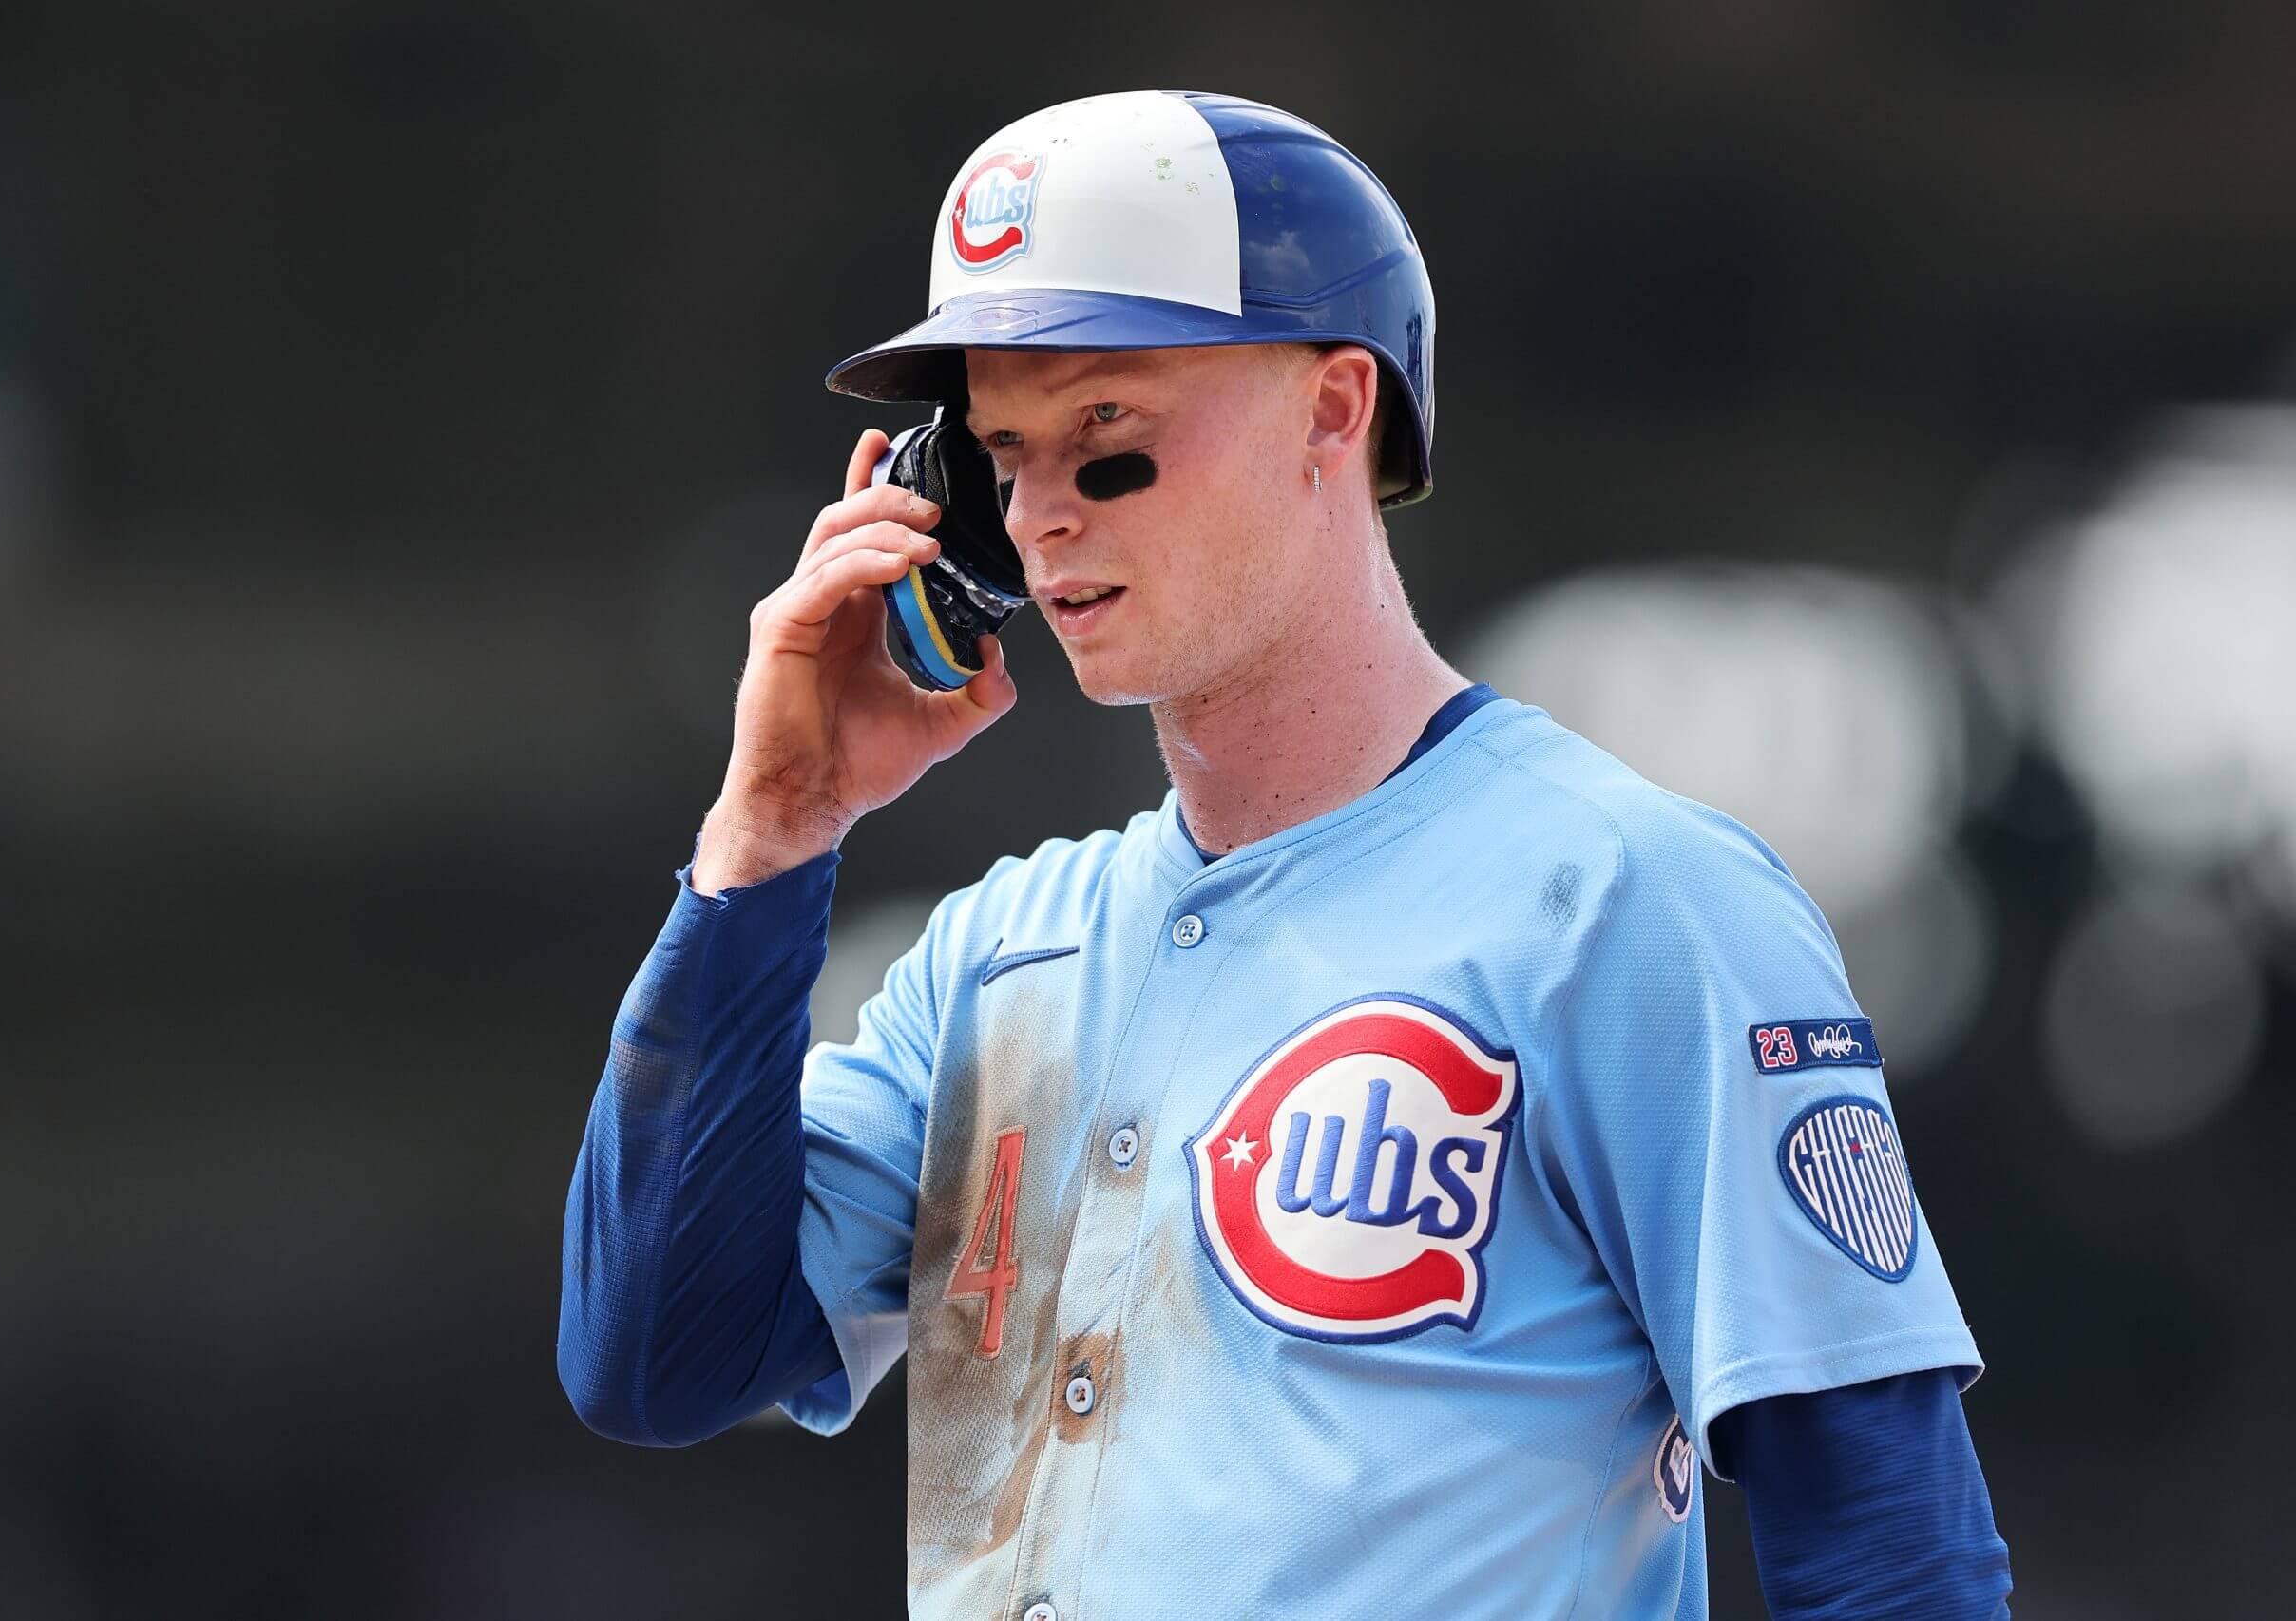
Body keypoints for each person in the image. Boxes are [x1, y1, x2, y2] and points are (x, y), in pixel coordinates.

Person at [558, 91, 2012, 1619]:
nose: (1045, 514)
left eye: (1109, 438)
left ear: (1332, 409)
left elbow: (1890, 1539)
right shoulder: (999, 957)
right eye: (1001, 456)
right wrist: (772, 831)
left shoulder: (1629, 898)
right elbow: (655, 1359)